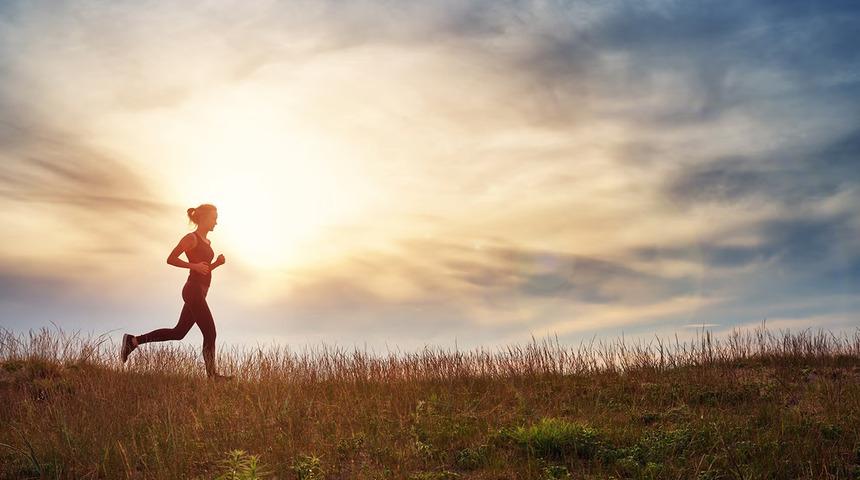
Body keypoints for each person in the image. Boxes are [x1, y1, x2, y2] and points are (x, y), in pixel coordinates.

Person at [120, 203, 231, 380]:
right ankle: (212, 376)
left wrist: (216, 264)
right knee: (210, 332)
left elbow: (204, 269)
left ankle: (132, 341)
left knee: (178, 332)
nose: (216, 222)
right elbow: (171, 258)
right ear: (203, 218)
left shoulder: (207, 242)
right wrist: (192, 265)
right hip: (193, 290)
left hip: (200, 292)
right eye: (214, 218)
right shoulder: (191, 238)